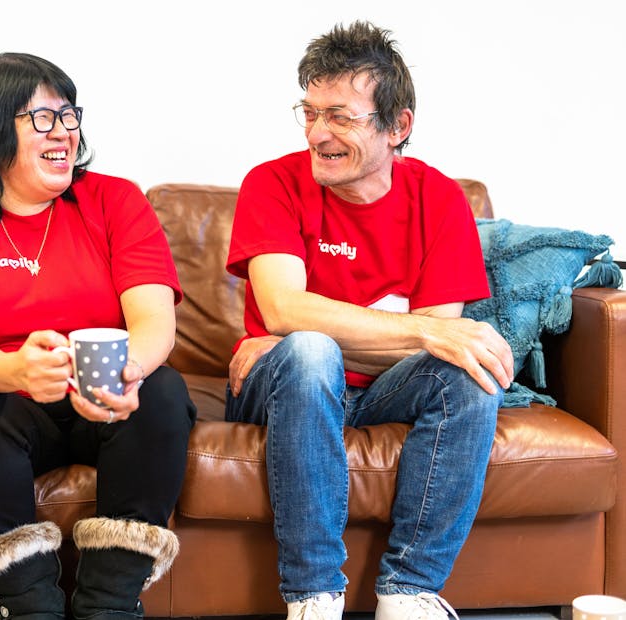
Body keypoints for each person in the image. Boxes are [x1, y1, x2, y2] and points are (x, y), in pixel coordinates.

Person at [224, 22, 514, 620]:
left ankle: (408, 593)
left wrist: (327, 331)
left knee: (467, 371)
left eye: (340, 116)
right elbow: (282, 309)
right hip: (280, 388)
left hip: (383, 392)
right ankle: (313, 597)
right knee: (308, 355)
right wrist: (419, 328)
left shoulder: (440, 200)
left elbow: (440, 350)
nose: (317, 133)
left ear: (397, 126)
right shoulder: (272, 183)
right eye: (309, 113)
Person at [0, 52, 196, 620]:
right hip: (9, 407)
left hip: (105, 403)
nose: (64, 131)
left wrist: (128, 374)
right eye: (42, 118)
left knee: (163, 392)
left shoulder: (115, 201)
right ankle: (29, 606)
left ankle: (109, 604)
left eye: (68, 115)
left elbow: (154, 321)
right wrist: (18, 370)